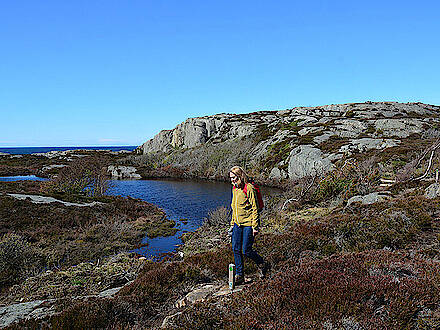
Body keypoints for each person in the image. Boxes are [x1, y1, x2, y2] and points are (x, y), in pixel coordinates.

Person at [228, 166, 269, 285]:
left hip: (248, 224)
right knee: (236, 249)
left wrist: (255, 227)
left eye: (234, 178)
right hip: (237, 224)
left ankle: (261, 263)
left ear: (240, 176)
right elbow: (234, 208)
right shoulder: (234, 188)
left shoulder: (249, 188)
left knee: (246, 250)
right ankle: (240, 275)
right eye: (230, 178)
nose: (232, 181)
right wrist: (232, 224)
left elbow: (255, 209)